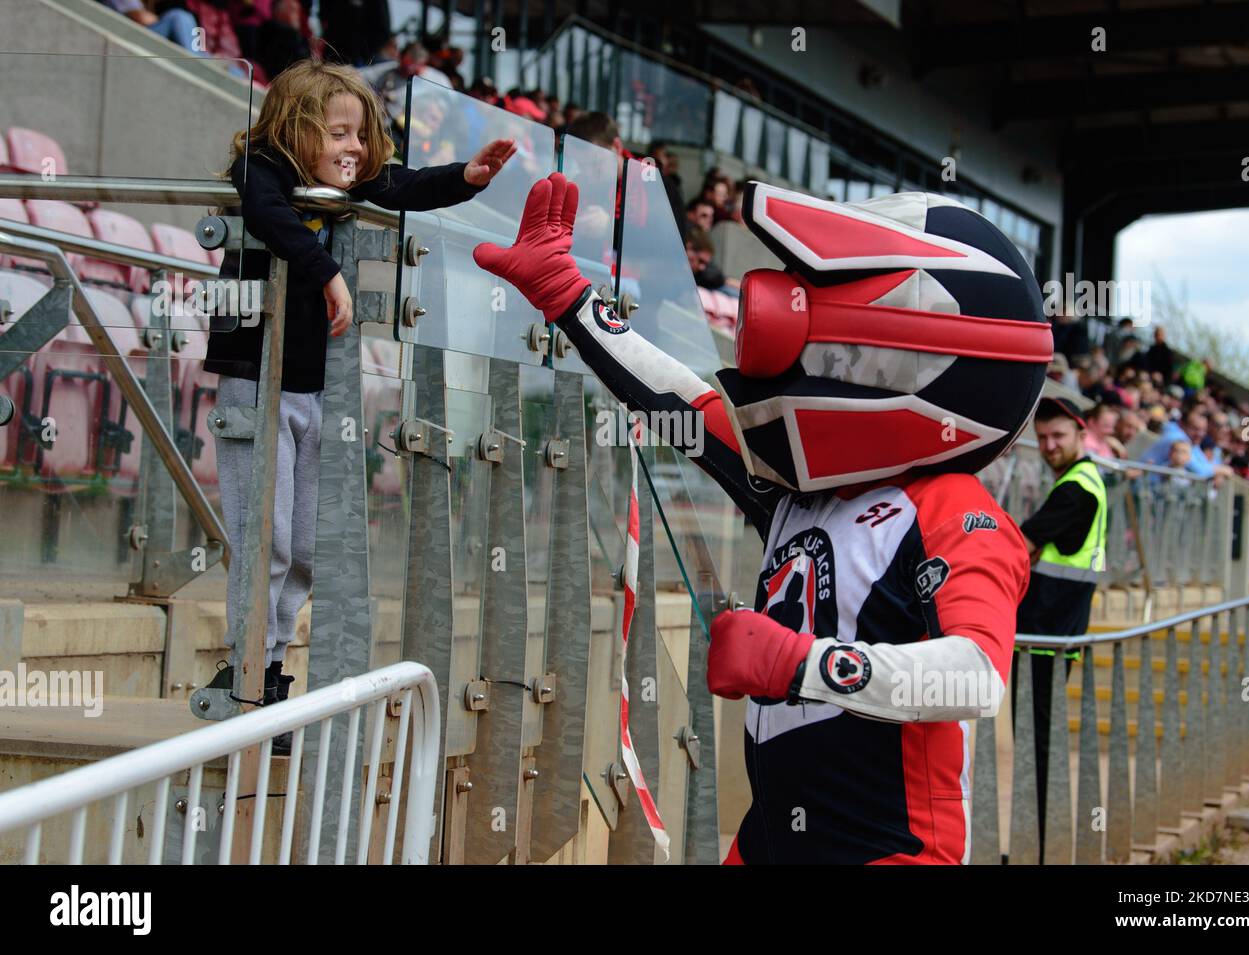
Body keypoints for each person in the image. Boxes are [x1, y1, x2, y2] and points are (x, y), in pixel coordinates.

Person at [474, 175, 1051, 863]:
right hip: (771, 837)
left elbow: (974, 675)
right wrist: (570, 299)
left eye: (850, 354)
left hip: (890, 852)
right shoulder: (795, 485)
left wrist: (800, 661)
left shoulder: (951, 506)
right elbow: (678, 401)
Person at [200, 61, 514, 730]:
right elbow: (267, 213)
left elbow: (400, 184)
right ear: (293, 128)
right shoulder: (262, 167)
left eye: (362, 134)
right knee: (270, 541)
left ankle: (271, 669)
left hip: (313, 390)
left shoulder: (340, 181)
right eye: (338, 132)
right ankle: (248, 671)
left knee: (309, 547)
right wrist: (329, 274)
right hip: (255, 385)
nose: (355, 149)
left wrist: (466, 177)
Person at [1012, 396, 1107, 863]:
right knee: (1038, 747)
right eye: (1042, 438)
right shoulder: (1084, 480)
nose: (1049, 446)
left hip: (1043, 643)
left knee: (1036, 750)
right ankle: (1040, 845)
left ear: (1081, 433)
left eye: (1059, 437)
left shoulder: (1076, 489)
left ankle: (1039, 850)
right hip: (1051, 639)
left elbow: (1017, 547)